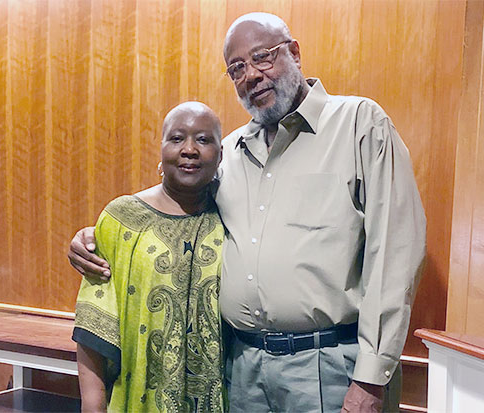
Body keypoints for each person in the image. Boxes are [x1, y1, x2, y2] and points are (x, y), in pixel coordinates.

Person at [69, 13, 426, 413]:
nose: (251, 75)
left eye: (263, 58)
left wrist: (371, 377)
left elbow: (397, 252)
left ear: (294, 52)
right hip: (240, 373)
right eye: (237, 68)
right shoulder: (231, 152)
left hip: (328, 369)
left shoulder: (359, 123)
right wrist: (96, 235)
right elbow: (177, 211)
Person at [72, 102, 225, 412]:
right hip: (137, 398)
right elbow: (93, 328)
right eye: (177, 138)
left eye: (204, 140)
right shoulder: (123, 219)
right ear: (161, 149)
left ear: (220, 154)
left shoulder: (234, 216)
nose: (189, 149)